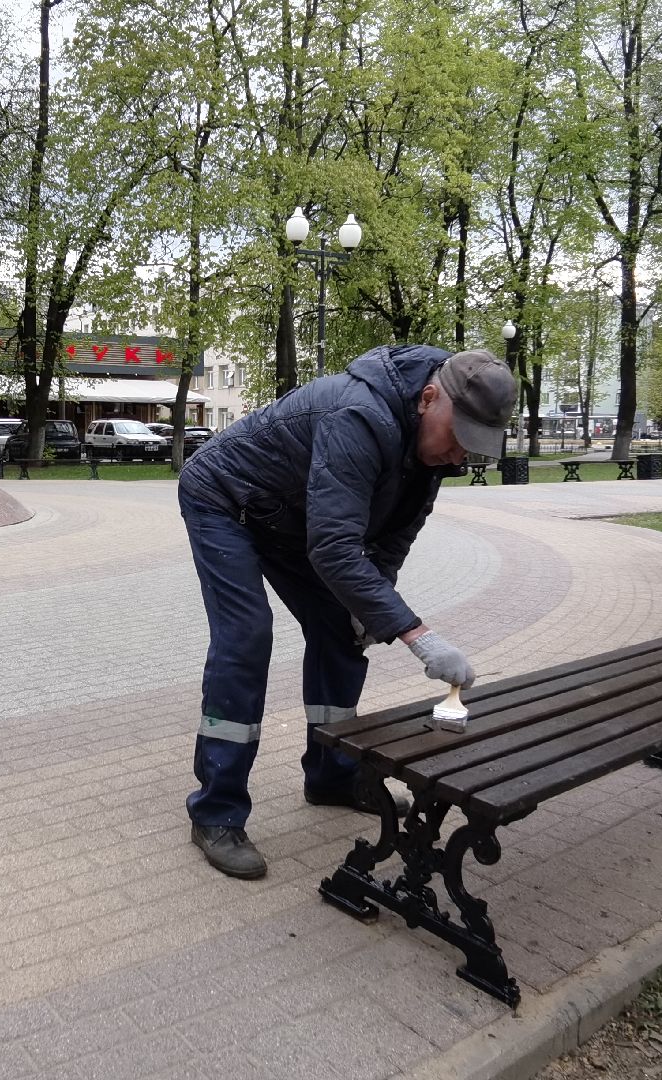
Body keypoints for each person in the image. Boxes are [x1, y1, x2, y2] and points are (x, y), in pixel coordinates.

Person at [177, 345, 518, 879]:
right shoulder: (358, 416)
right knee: (246, 637)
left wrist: (372, 602)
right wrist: (418, 636)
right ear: (429, 399)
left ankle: (332, 775)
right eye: (458, 438)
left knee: (343, 631)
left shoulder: (428, 450)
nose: (459, 456)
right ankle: (216, 812)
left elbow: (391, 538)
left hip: (294, 521)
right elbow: (335, 548)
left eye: (473, 447)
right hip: (226, 501)